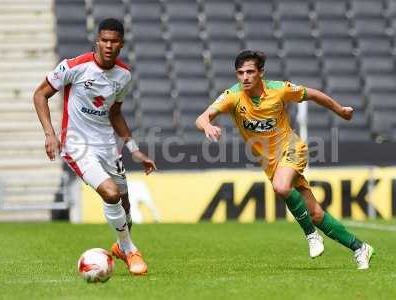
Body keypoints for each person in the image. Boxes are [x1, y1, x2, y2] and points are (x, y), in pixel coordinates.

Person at [196, 50, 374, 270]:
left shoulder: (280, 90)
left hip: (291, 149)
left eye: (250, 72)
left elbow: (313, 94)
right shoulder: (232, 95)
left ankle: (311, 235)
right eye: (240, 73)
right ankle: (359, 248)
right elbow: (202, 117)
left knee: (281, 187)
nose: (245, 77)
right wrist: (207, 125)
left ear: (261, 72)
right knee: (316, 213)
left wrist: (340, 111)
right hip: (271, 163)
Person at [33, 18, 156, 275]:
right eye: (104, 40)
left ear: (121, 44)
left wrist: (134, 149)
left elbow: (115, 114)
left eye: (114, 41)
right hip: (76, 144)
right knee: (110, 193)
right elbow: (40, 94)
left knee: (125, 203)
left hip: (107, 144)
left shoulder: (124, 75)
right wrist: (50, 134)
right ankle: (131, 249)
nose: (108, 45)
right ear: (97, 41)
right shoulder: (74, 67)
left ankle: (122, 246)